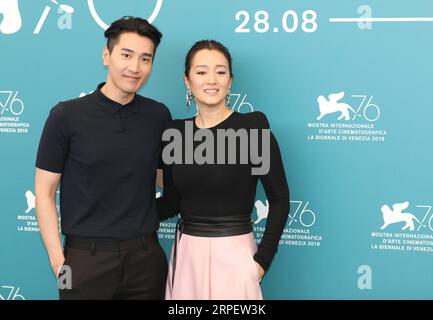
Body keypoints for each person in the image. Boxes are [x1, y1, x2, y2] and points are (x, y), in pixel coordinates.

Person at [35, 16, 171, 300]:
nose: (135, 68)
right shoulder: (66, 116)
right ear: (106, 56)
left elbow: (165, 179)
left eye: (146, 59)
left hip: (146, 260)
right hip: (83, 260)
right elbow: (44, 193)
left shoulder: (158, 116)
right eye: (126, 55)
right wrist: (58, 261)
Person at [157, 40, 290, 299]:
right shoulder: (175, 133)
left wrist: (262, 261)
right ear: (187, 81)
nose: (212, 80)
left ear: (230, 80)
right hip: (187, 257)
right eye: (201, 72)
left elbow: (279, 198)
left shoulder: (252, 128)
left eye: (220, 72)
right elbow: (172, 202)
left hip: (236, 255)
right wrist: (122, 216)